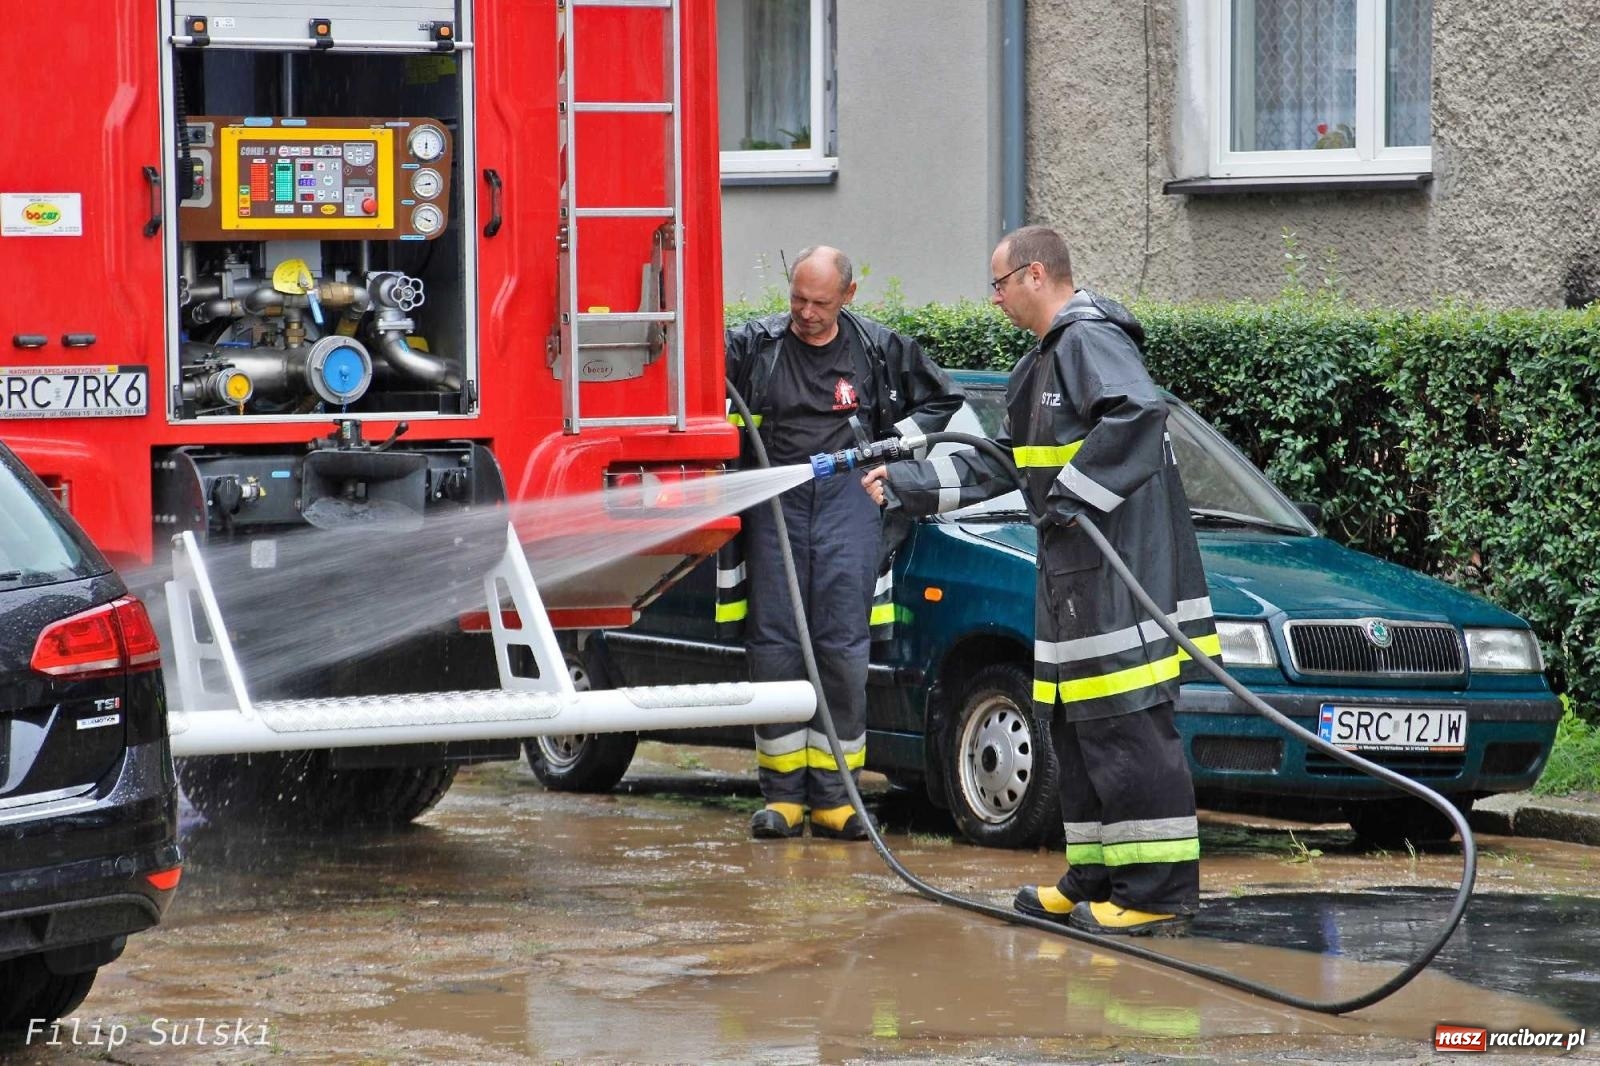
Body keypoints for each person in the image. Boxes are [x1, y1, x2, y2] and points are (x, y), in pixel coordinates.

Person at [862, 226, 1218, 934]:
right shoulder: (1040, 367)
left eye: (996, 284)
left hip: (1123, 584)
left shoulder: (1089, 342)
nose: (993, 300)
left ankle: (1154, 894)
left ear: (1032, 275)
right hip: (1075, 588)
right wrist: (908, 484)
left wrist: (1074, 495)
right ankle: (1094, 875)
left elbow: (1139, 416)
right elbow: (1005, 463)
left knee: (1127, 733)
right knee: (1080, 734)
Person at [725, 246, 962, 841]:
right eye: (797, 299)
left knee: (840, 647)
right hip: (775, 499)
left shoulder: (879, 349)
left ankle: (837, 796)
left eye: (820, 302)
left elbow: (941, 403)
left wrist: (884, 450)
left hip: (847, 501)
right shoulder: (755, 344)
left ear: (848, 297)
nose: (805, 313)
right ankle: (781, 796)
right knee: (776, 643)